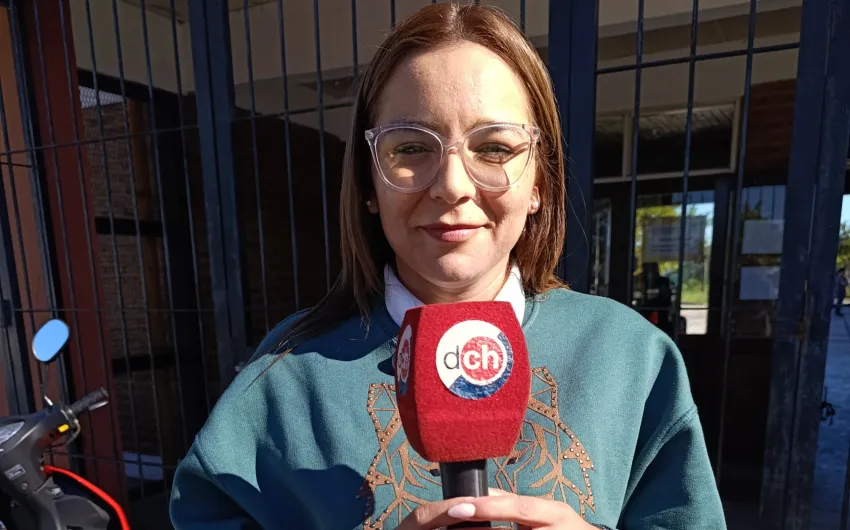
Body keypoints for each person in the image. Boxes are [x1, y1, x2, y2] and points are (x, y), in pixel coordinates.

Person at [169, 4, 725, 529]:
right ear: (368, 184)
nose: (453, 186)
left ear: (539, 182)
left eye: (495, 148)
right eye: (411, 148)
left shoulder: (630, 356)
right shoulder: (285, 375)